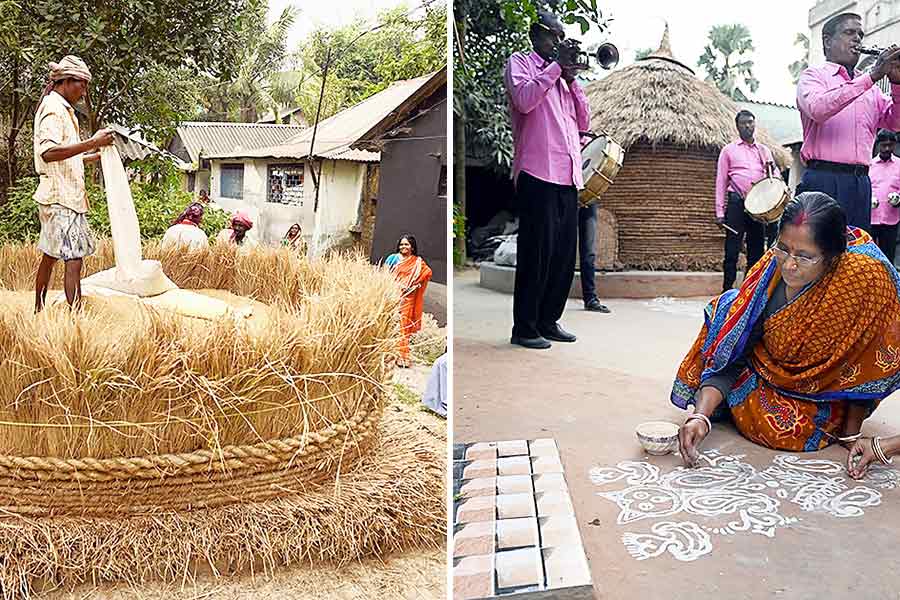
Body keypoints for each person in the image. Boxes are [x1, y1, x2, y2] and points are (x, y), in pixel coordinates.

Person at [672, 192, 900, 467]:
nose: (789, 265)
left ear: (832, 257)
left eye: (805, 257)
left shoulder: (862, 278)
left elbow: (864, 355)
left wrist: (852, 435)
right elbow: (735, 348)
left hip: (823, 390)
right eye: (783, 249)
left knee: (784, 429)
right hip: (765, 369)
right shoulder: (772, 265)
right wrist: (701, 416)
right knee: (729, 307)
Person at [505, 9, 589, 349]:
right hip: (537, 173)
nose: (559, 41)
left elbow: (583, 122)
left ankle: (548, 320)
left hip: (568, 176)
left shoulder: (565, 80)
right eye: (555, 35)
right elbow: (524, 100)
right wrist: (555, 69)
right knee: (535, 253)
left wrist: (570, 78)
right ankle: (524, 328)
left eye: (561, 36)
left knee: (563, 256)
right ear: (537, 35)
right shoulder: (520, 62)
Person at [796, 12, 900, 233]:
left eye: (860, 35)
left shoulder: (870, 87)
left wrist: (897, 84)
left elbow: (895, 123)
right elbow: (819, 108)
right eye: (849, 32)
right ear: (827, 41)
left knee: (854, 256)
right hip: (822, 179)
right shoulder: (812, 76)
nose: (857, 40)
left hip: (860, 183)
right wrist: (871, 76)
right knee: (817, 252)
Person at [32, 55, 114, 312]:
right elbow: (48, 153)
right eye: (81, 84)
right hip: (61, 198)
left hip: (63, 197)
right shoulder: (54, 110)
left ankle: (38, 308)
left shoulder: (63, 110)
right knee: (74, 257)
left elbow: (66, 158)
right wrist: (92, 142)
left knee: (51, 255)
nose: (84, 91)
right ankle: (76, 316)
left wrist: (97, 156)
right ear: (66, 82)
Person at [715, 110, 780, 292]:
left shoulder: (764, 151)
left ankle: (749, 293)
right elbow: (720, 181)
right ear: (737, 126)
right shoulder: (728, 150)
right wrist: (720, 212)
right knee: (732, 250)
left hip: (758, 207)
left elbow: (774, 177)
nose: (748, 126)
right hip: (736, 203)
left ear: (755, 124)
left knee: (757, 249)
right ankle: (726, 291)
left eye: (751, 122)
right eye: (743, 123)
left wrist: (773, 172)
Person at [385, 235, 432, 368]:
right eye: (401, 244)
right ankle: (387, 354)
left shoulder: (417, 262)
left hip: (408, 298)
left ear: (412, 246)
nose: (403, 247)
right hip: (393, 296)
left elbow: (427, 272)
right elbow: (384, 274)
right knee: (390, 324)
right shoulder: (393, 259)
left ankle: (402, 357)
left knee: (402, 327)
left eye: (406, 245)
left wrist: (415, 284)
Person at [870, 129, 900, 263]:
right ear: (878, 145)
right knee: (869, 257)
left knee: (888, 258)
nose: (887, 148)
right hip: (871, 218)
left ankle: (889, 283)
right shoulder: (868, 165)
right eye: (883, 145)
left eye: (890, 145)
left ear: (895, 145)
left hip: (891, 219)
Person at [578, 203, 611, 312]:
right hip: (564, 193)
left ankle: (590, 299)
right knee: (562, 252)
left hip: (588, 199)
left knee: (588, 253)